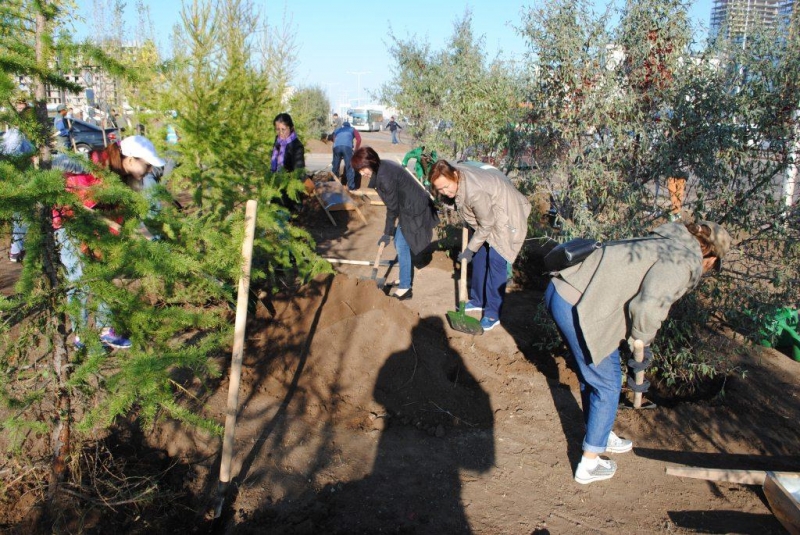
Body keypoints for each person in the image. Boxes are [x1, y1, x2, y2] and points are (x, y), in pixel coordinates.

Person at [544, 221, 731, 484]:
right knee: (608, 384)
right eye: (713, 264)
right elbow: (648, 306)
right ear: (709, 254)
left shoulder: (667, 240)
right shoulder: (684, 260)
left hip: (566, 291)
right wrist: (642, 340)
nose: (709, 269)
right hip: (580, 305)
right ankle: (589, 465)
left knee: (596, 372)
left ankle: (600, 429)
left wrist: (640, 340)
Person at [53, 135, 167, 350]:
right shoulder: (94, 164)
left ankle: (106, 330)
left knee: (103, 274)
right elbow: (58, 167)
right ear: (131, 160)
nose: (149, 170)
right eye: (147, 164)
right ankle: (81, 335)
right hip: (70, 226)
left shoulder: (122, 179)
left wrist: (151, 238)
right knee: (79, 280)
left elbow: (129, 215)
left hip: (97, 230)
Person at [428, 160, 531, 331]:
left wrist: (469, 249)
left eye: (447, 187)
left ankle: (492, 314)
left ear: (455, 176)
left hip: (507, 216)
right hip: (490, 212)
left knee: (496, 261)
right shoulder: (456, 174)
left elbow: (487, 224)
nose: (445, 191)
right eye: (440, 189)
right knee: (480, 256)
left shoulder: (475, 191)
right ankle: (478, 300)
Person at [352, 147, 439, 300]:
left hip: (414, 208)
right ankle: (404, 276)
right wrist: (389, 231)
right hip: (408, 206)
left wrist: (387, 233)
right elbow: (394, 204)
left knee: (401, 243)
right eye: (359, 171)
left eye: (362, 169)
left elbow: (392, 208)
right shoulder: (382, 167)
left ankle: (405, 288)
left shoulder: (384, 177)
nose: (361, 173)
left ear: (370, 162)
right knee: (400, 241)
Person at [2, 98, 36, 262]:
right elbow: (12, 159)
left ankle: (18, 250)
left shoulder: (18, 134)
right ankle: (17, 251)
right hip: (19, 181)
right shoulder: (15, 135)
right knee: (22, 216)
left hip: (22, 179)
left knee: (22, 217)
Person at [332, 120, 361, 191]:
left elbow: (333, 138)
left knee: (335, 167)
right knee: (349, 167)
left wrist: (338, 148)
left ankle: (332, 184)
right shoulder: (353, 129)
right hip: (347, 148)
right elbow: (359, 139)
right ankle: (351, 187)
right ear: (349, 126)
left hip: (336, 147)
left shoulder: (338, 129)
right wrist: (356, 150)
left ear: (343, 126)